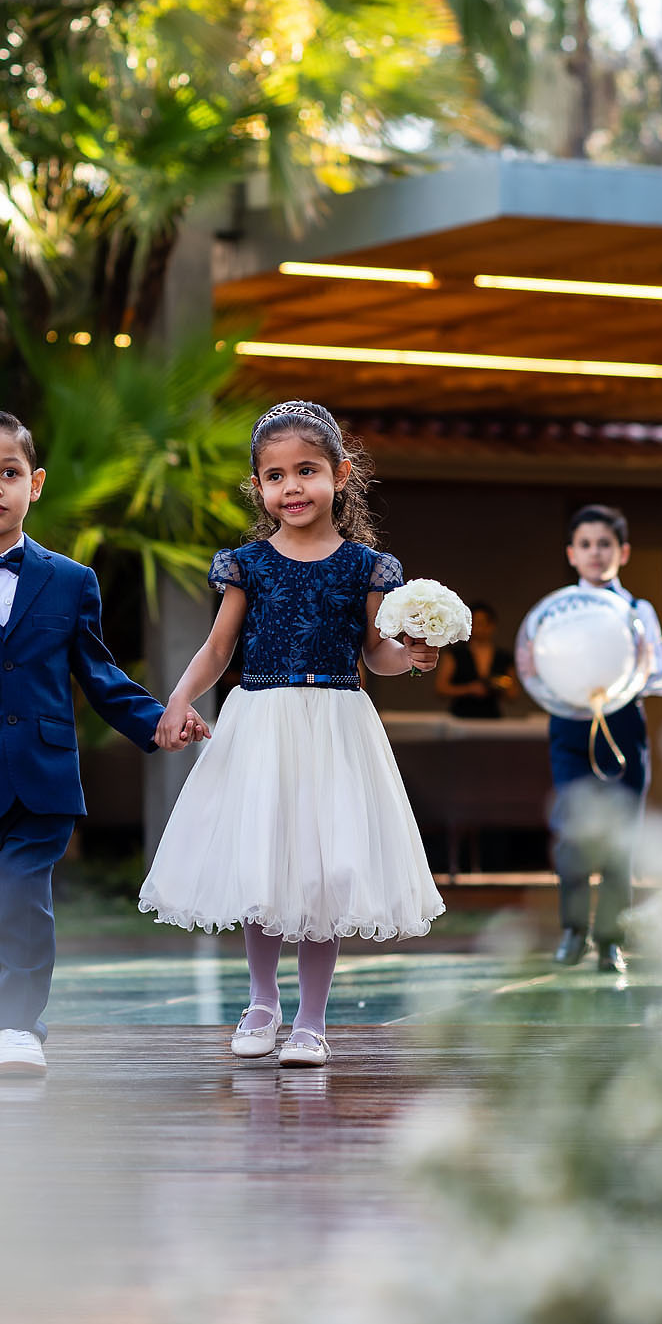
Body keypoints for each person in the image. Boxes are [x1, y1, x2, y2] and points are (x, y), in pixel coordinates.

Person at [0, 410, 204, 1079]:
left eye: (9, 474)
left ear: (36, 483)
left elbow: (99, 672)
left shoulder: (70, 582)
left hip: (44, 773)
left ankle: (19, 1024)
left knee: (24, 893)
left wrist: (155, 720)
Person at [138, 399, 445, 1067]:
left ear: (341, 473)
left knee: (323, 873)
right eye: (275, 476)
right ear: (259, 488)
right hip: (262, 725)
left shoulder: (368, 567)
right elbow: (220, 649)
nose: (292, 487)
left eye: (306, 471)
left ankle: (311, 1017)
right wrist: (179, 699)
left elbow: (376, 653)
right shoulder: (247, 564)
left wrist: (412, 654)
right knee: (263, 861)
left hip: (335, 726)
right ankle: (261, 1000)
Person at [546, 504, 662, 974]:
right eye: (585, 545)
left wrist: (626, 677)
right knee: (574, 832)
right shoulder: (557, 612)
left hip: (623, 727)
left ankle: (611, 940)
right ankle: (573, 930)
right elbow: (542, 669)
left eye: (604, 545)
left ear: (622, 552)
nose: (595, 553)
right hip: (570, 728)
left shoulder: (638, 610)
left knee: (622, 838)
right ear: (572, 554)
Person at [434, 601, 515, 718]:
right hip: (460, 717)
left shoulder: (504, 656)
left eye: (483, 623)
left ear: (492, 625)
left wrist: (498, 687)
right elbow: (441, 688)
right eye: (475, 624)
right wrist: (469, 689)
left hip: (492, 717)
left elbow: (513, 693)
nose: (479, 628)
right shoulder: (455, 653)